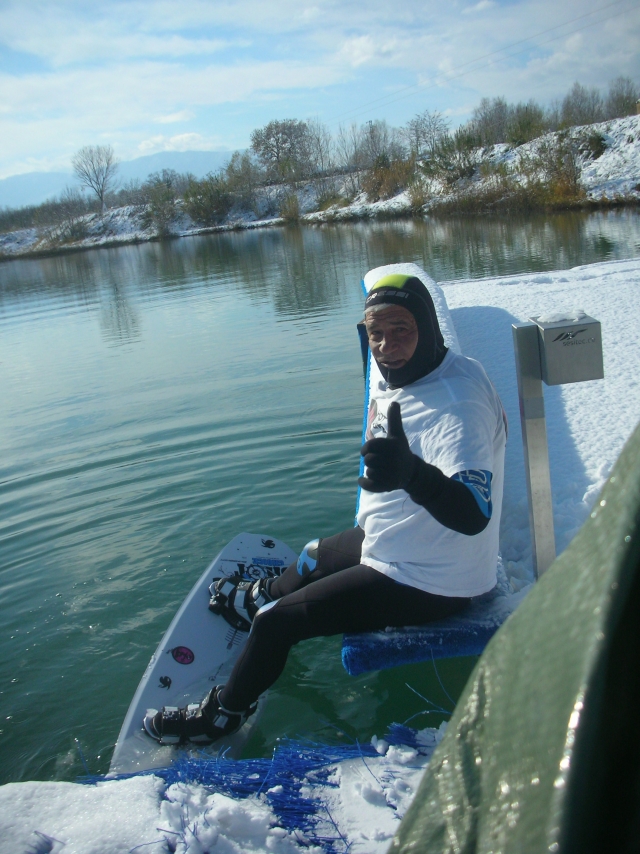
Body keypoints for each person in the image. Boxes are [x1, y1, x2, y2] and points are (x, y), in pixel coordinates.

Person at [144, 273, 507, 745]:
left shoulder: (455, 409)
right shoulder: (428, 369)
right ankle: (258, 593)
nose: (386, 346)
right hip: (403, 539)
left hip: (434, 579)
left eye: (401, 330)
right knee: (313, 553)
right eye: (375, 332)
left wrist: (414, 475)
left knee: (275, 625)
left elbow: (474, 515)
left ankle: (220, 715)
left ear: (429, 328)